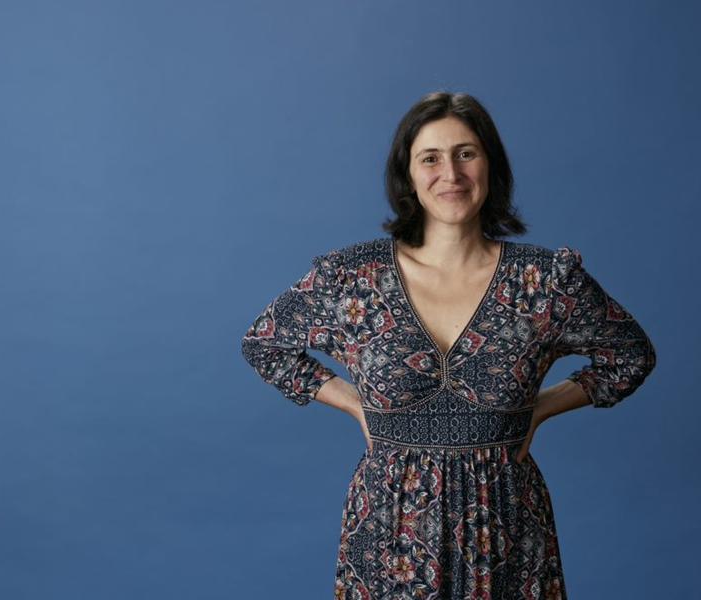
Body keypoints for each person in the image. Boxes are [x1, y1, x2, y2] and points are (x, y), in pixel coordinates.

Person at [240, 91, 657, 599]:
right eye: (430, 158)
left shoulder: (544, 282)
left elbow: (630, 355)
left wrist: (542, 408)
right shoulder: (354, 278)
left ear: (490, 166)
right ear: (409, 175)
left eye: (466, 153)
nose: (451, 174)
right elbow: (266, 345)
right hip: (388, 533)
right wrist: (354, 404)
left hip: (506, 532)